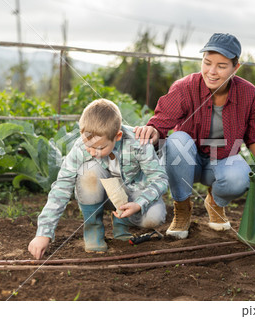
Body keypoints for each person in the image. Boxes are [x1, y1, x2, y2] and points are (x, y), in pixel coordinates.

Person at [133, 33, 255, 239]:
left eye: (222, 66)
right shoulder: (184, 88)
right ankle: (182, 208)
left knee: (239, 177)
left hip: (221, 161)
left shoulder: (249, 95)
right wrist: (151, 130)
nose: (212, 72)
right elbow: (160, 123)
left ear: (236, 67)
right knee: (177, 140)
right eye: (207, 63)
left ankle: (215, 203)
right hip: (186, 164)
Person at [28, 98, 168, 258]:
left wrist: (139, 204)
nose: (93, 152)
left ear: (118, 136)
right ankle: (93, 229)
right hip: (99, 194)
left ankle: (121, 223)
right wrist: (43, 233)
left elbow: (160, 179)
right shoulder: (80, 148)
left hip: (131, 194)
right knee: (89, 171)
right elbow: (61, 187)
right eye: (89, 146)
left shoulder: (138, 143)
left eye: (100, 147)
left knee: (154, 217)